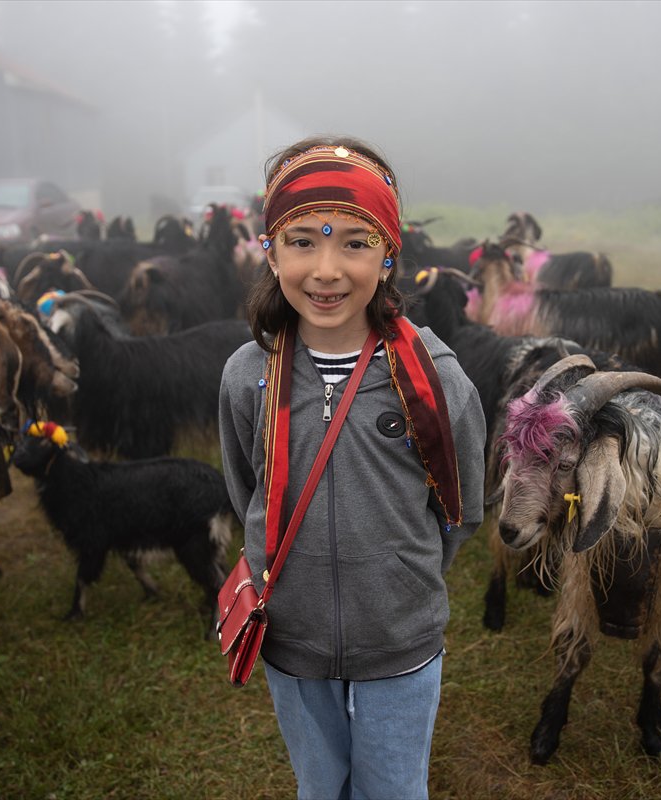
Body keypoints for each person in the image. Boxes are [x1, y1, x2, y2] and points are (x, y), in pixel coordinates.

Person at [218, 137, 485, 800]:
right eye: (303, 241)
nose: (327, 270)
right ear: (271, 250)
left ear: (389, 255)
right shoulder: (246, 376)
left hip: (400, 646)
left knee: (393, 789)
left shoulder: (437, 380)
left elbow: (461, 510)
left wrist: (397, 579)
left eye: (355, 244)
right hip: (293, 642)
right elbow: (246, 491)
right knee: (319, 787)